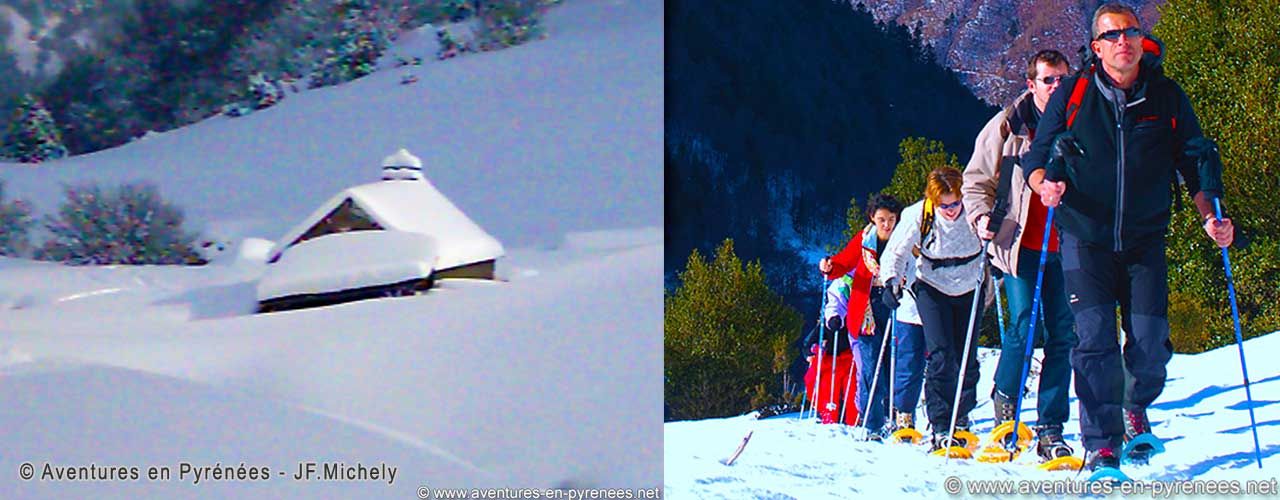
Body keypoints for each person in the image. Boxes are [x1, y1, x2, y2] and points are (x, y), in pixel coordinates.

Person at [1020, 3, 1234, 472]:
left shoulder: (1166, 96)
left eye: (1131, 32)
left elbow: (1195, 160)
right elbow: (1035, 158)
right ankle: (1101, 446)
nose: (1124, 41)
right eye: (1113, 35)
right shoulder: (1073, 93)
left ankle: (1135, 407)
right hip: (1084, 236)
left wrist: (1211, 216)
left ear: (1141, 39)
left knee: (1151, 344)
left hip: (1144, 238)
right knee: (1094, 341)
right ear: (1096, 48)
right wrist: (1044, 184)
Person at [961, 49, 1078, 461]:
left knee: (1064, 334)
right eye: (1049, 80)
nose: (1057, 86)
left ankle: (1051, 426)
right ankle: (1006, 406)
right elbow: (975, 180)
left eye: (1063, 79)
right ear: (1032, 84)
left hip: (1069, 245)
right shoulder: (1008, 126)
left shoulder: (1080, 121)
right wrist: (979, 219)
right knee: (1025, 325)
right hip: (1018, 245)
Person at [879, 167, 986, 452]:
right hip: (932, 287)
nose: (950, 211)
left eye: (955, 203)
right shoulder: (919, 215)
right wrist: (891, 281)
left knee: (966, 356)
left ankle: (961, 416)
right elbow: (896, 251)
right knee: (941, 355)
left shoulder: (975, 211)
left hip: (970, 283)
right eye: (944, 205)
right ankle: (940, 423)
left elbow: (996, 237)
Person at [818, 194, 904, 437]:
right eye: (881, 220)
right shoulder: (865, 239)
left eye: (891, 219)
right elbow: (844, 262)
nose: (886, 225)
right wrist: (830, 266)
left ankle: (897, 417)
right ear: (872, 219)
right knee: (868, 366)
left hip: (896, 304)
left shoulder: (904, 238)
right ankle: (872, 423)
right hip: (865, 308)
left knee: (895, 363)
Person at [801, 273, 859, 425]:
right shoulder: (826, 324)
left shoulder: (853, 320)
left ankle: (854, 419)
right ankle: (829, 417)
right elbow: (809, 344)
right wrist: (812, 352)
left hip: (848, 360)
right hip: (829, 361)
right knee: (828, 391)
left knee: (853, 390)